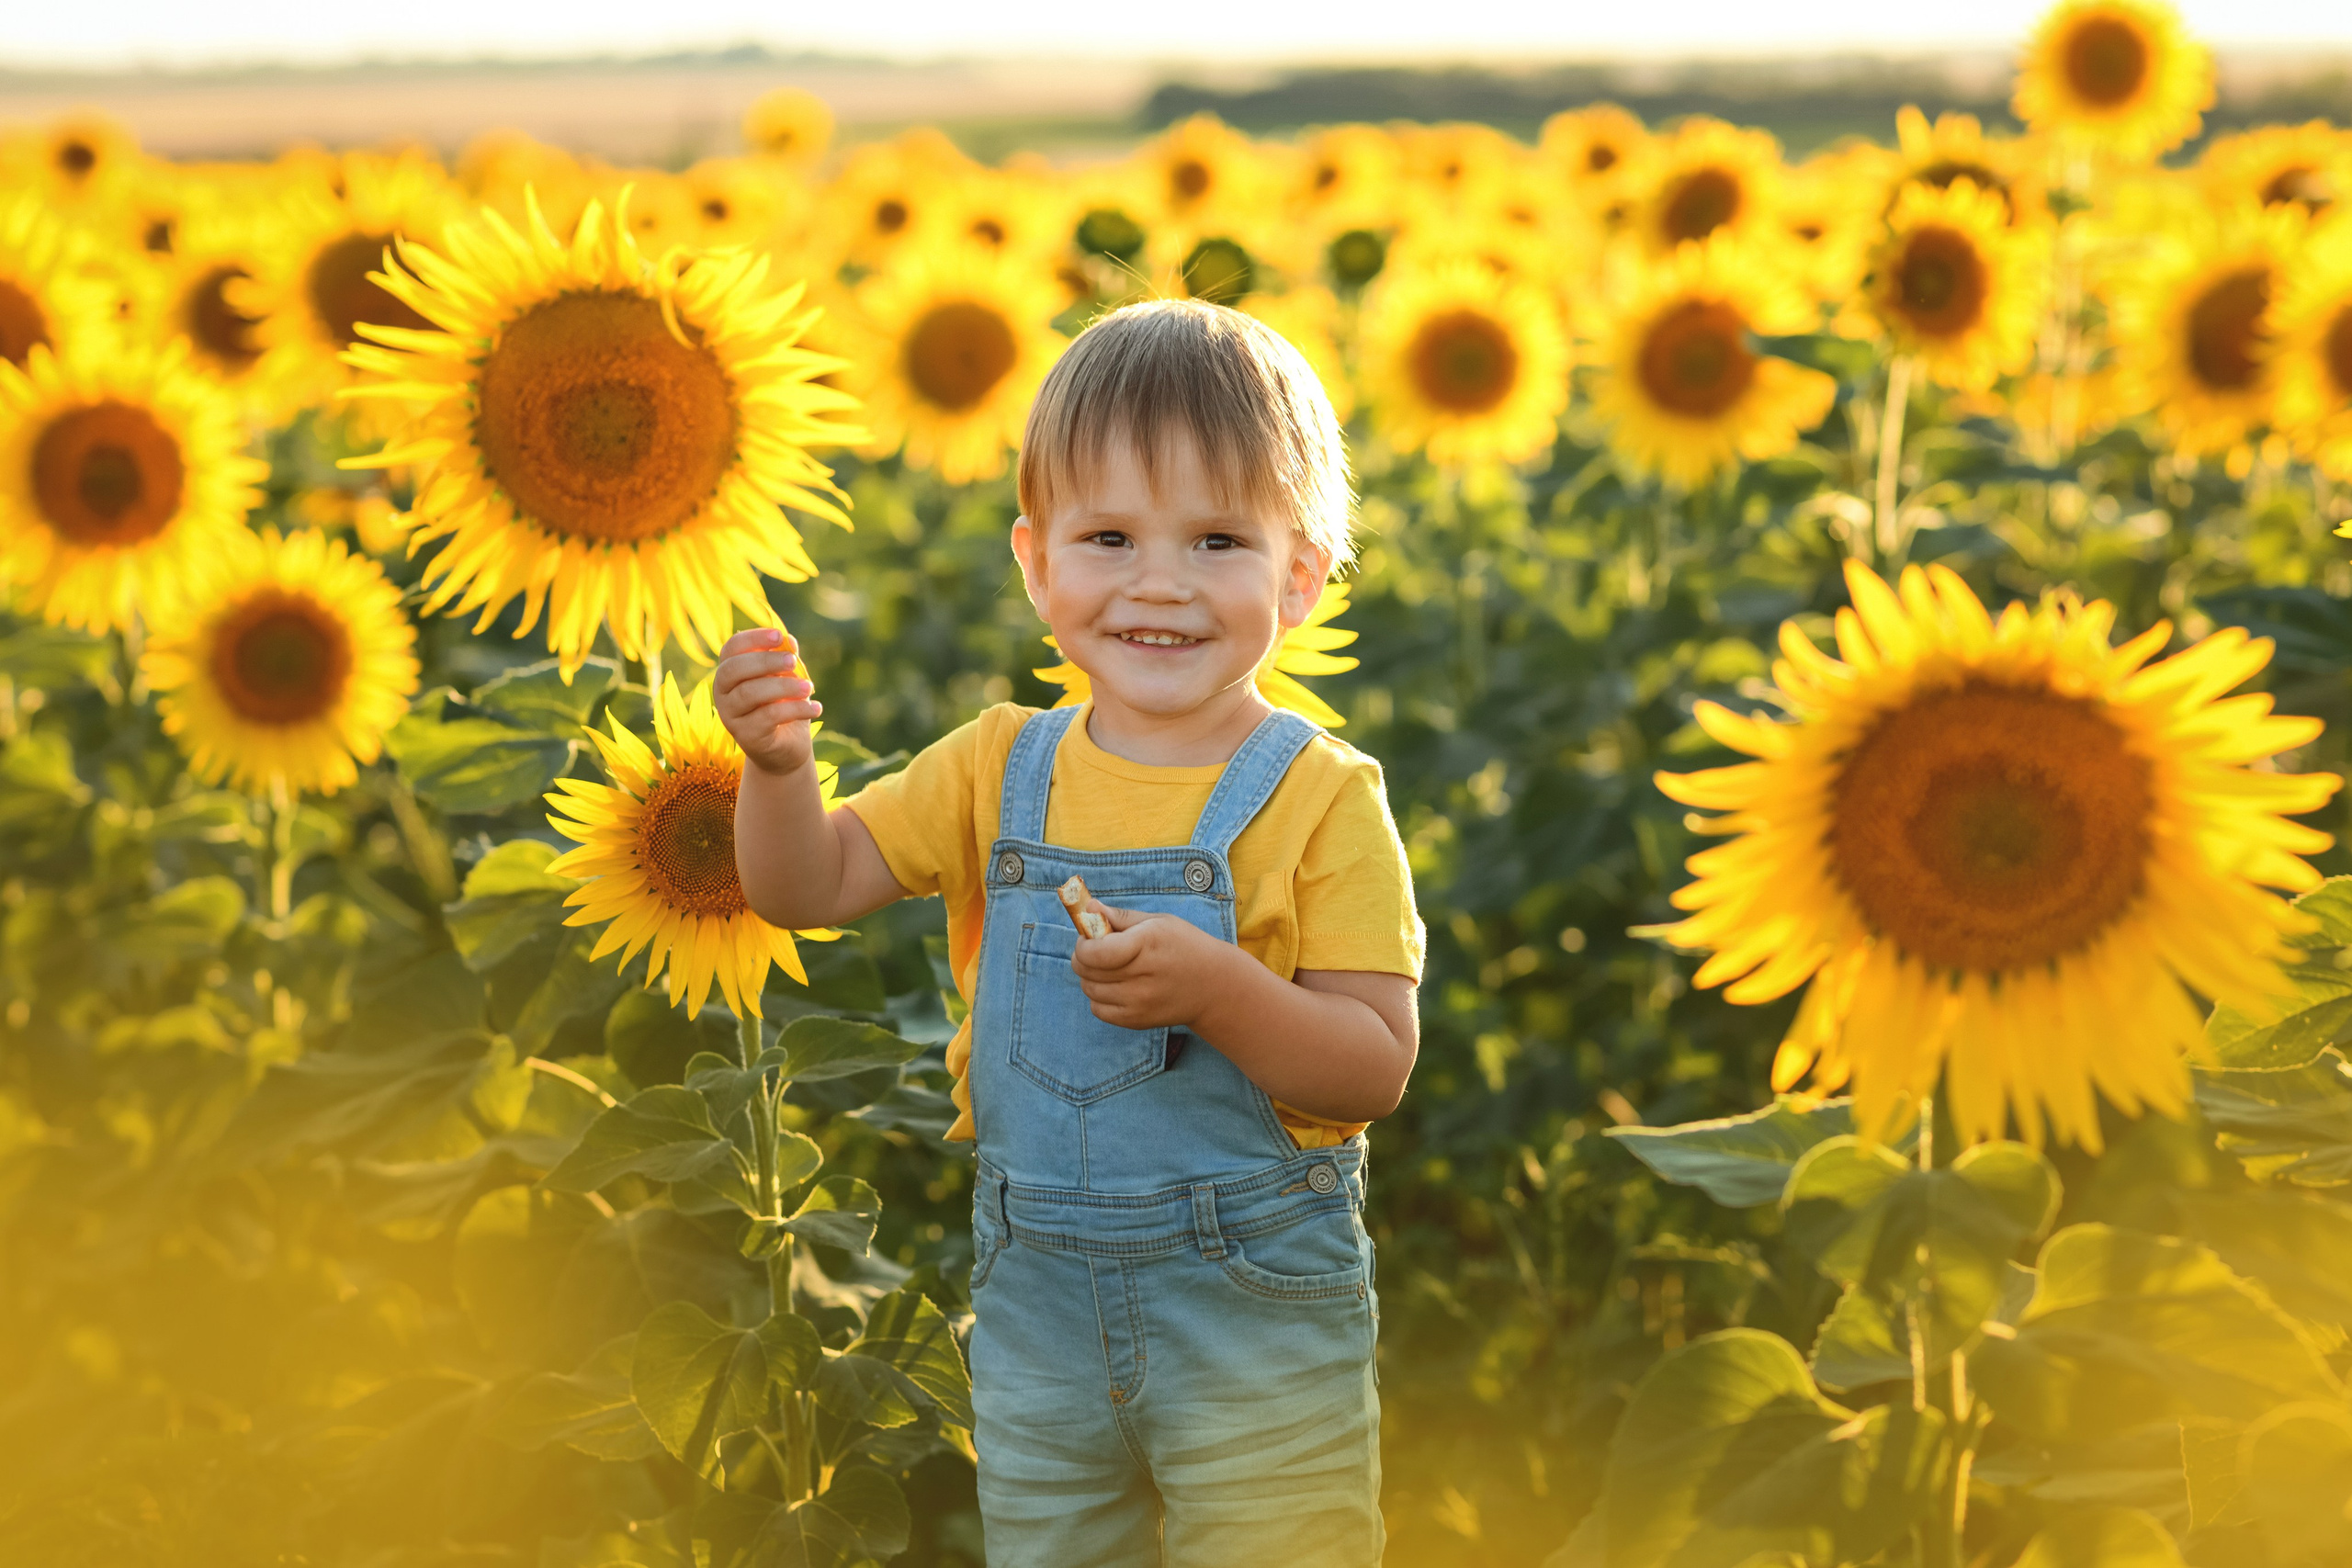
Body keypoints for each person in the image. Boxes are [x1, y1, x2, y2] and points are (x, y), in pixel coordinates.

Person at [716, 297, 1424, 1566]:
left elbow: (1372, 1065)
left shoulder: (1321, 795)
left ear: (1301, 575)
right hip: (1036, 1293)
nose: (1160, 582)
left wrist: (1219, 989)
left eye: (1217, 539)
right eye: (1109, 537)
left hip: (1251, 1299)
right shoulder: (997, 769)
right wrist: (776, 769)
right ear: (1037, 563)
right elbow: (805, 885)